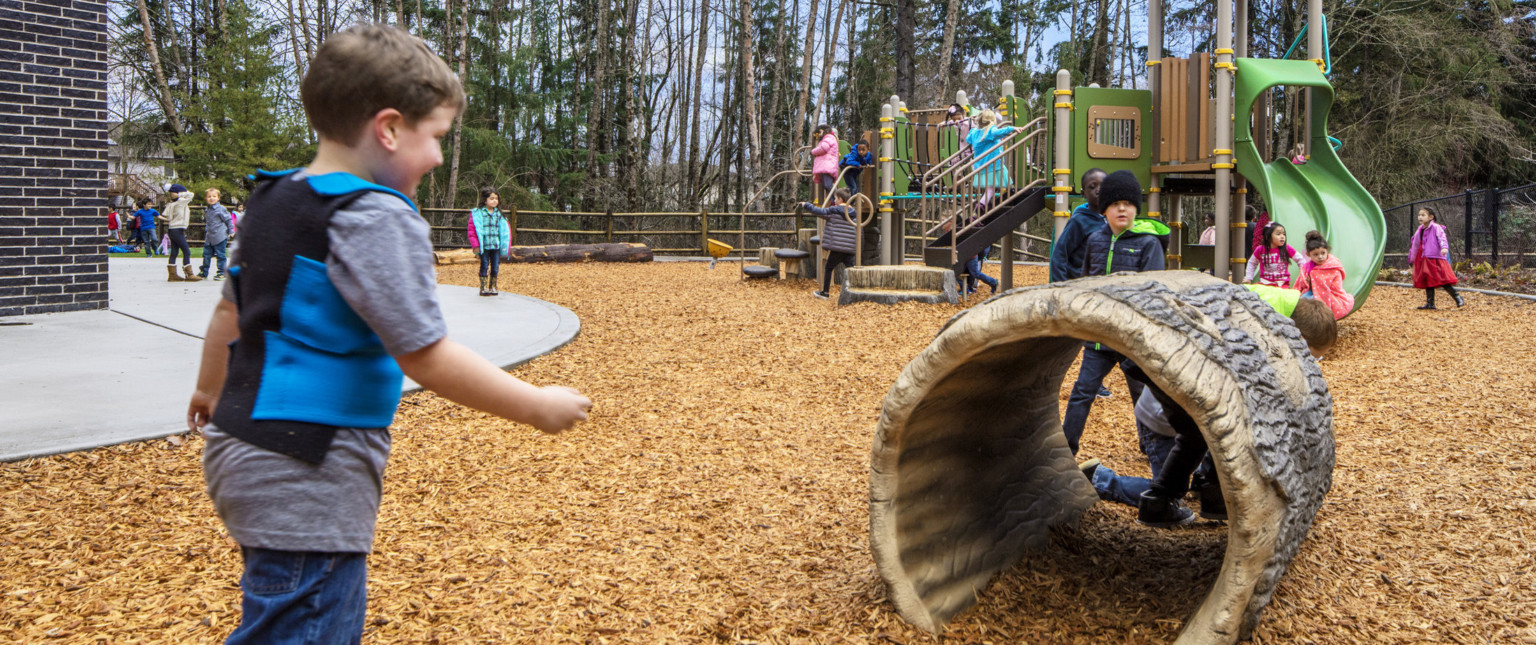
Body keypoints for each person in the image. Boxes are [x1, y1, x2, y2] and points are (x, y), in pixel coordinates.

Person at [184, 25, 592, 643]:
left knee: (278, 610)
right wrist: (535, 404)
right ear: (390, 128)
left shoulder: (271, 198)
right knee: (307, 625)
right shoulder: (373, 215)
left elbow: (227, 315)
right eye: (435, 138)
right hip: (307, 464)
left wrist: (209, 392)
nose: (435, 158)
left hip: (239, 448)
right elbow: (425, 354)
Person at [1135, 285, 1338, 527]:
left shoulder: (1274, 308)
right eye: (1312, 355)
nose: (1310, 362)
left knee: (1205, 432)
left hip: (1172, 379)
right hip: (1164, 400)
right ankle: (1174, 492)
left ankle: (1187, 491)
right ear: (1300, 339)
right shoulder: (1260, 324)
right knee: (1218, 426)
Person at [1060, 170, 1165, 455]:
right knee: (1082, 391)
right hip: (1099, 337)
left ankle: (1150, 446)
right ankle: (1066, 448)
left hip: (1131, 338)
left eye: (1128, 204)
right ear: (1104, 208)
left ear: (1136, 209)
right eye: (1115, 203)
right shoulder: (1095, 240)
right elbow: (1086, 283)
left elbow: (1153, 294)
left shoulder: (1148, 243)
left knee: (1141, 393)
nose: (1121, 208)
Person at [1048, 168, 1107, 284]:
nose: (1098, 190)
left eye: (1103, 186)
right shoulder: (1079, 221)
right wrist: (1061, 286)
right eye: (1092, 187)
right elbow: (1060, 254)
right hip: (1079, 283)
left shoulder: (1113, 219)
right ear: (1083, 193)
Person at [802, 188, 858, 300]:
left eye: (836, 198)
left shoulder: (834, 211)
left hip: (837, 248)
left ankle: (825, 292)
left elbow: (819, 211)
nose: (834, 201)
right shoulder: (854, 213)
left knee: (828, 268)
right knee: (851, 270)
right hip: (849, 248)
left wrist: (806, 205)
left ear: (840, 199)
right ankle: (856, 291)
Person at [1408, 206, 1463, 309]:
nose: (1420, 217)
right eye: (1419, 215)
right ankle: (1430, 303)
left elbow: (1441, 237)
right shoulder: (1420, 230)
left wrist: (1444, 248)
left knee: (1441, 279)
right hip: (1424, 257)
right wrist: (1412, 258)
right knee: (1427, 279)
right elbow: (1415, 244)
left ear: (1431, 217)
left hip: (1434, 257)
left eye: (1423, 215)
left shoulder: (1436, 227)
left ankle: (1457, 297)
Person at [1293, 230, 1354, 319]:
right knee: (1301, 303)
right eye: (1315, 254)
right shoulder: (1307, 267)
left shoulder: (1333, 267)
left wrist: (1315, 281)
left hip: (1330, 295)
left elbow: (1336, 286)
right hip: (1311, 292)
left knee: (1313, 306)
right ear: (1308, 254)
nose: (1320, 257)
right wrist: (1308, 283)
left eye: (1323, 253)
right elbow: (1301, 284)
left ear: (1327, 251)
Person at [963, 109, 1015, 212]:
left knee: (991, 187)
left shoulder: (974, 132)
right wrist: (1012, 128)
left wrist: (974, 127)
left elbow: (968, 139)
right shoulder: (990, 130)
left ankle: (988, 202)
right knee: (991, 188)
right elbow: (999, 132)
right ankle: (980, 206)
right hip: (993, 164)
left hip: (981, 165)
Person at [468, 187, 511, 296]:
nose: (495, 201)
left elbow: (504, 232)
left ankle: (493, 286)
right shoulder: (478, 214)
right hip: (484, 246)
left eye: (496, 198)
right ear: (485, 200)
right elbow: (472, 231)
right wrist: (476, 245)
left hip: (496, 246)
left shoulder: (499, 214)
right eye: (492, 198)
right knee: (484, 265)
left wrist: (505, 245)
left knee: (495, 267)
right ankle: (483, 287)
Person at [161, 184, 202, 282]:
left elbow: (166, 215)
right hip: (177, 230)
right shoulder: (181, 202)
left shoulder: (171, 204)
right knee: (186, 251)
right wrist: (180, 194)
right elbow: (191, 195)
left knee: (174, 252)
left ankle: (172, 275)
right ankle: (189, 274)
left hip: (173, 229)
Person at [1245, 222, 1303, 287]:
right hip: (1264, 283)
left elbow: (1300, 259)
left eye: (1284, 234)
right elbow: (1252, 263)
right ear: (1267, 236)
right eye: (1278, 234)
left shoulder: (1286, 248)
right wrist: (1248, 278)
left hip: (1282, 284)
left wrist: (1303, 274)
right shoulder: (1260, 249)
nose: (1282, 236)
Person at [199, 188, 234, 280]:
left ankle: (221, 272)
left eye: (214, 196)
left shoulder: (221, 209)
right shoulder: (207, 209)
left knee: (220, 255)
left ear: (218, 198)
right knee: (206, 255)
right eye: (209, 196)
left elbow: (228, 220)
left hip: (220, 236)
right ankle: (204, 272)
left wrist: (231, 231)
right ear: (206, 198)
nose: (211, 198)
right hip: (209, 237)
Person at [809, 125, 840, 197]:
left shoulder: (829, 137)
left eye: (819, 132)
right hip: (825, 166)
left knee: (828, 185)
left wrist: (813, 151)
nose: (819, 135)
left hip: (827, 166)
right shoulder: (827, 138)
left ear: (824, 130)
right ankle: (834, 201)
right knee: (826, 185)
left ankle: (838, 200)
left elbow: (823, 148)